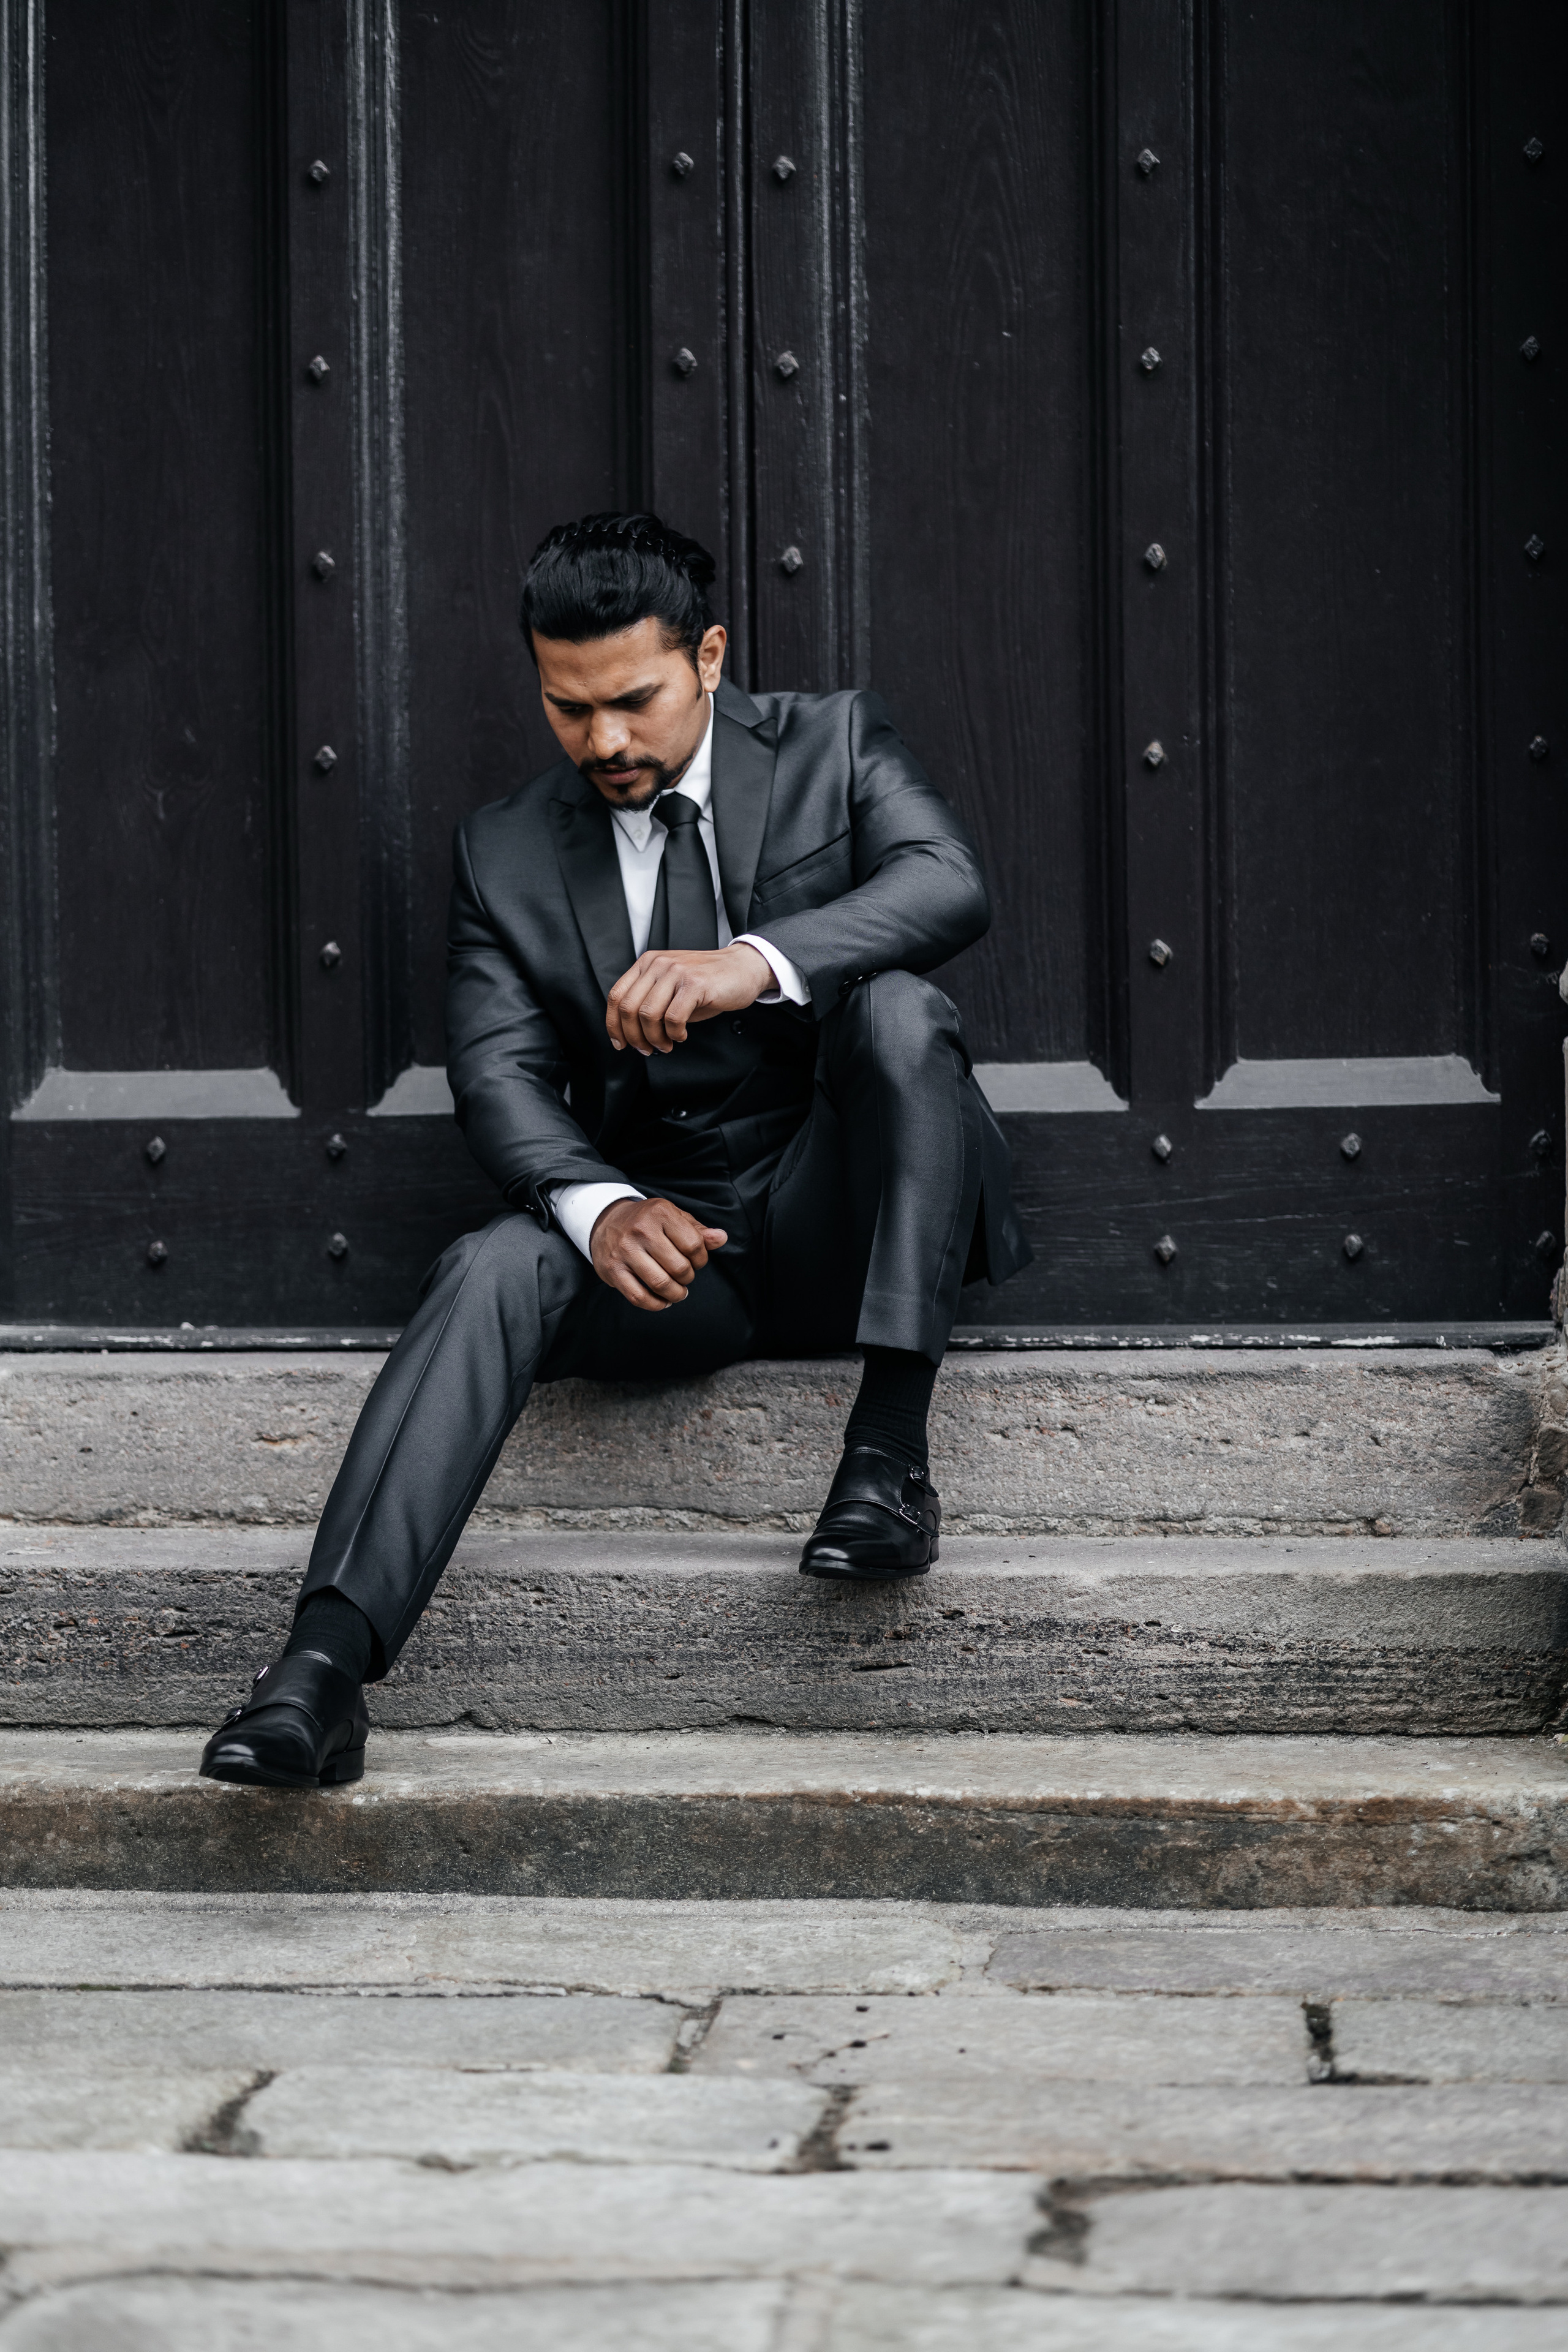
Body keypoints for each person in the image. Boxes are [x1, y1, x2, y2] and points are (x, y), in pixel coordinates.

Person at [200, 511, 1030, 1788]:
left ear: (707, 656)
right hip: (674, 1250)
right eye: (566, 708)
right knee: (490, 1263)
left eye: (632, 702)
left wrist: (747, 965)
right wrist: (597, 1207)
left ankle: (885, 1457)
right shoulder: (506, 848)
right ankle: (320, 1670)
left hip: (840, 1209)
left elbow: (946, 885)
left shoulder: (832, 741)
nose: (603, 742)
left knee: (901, 1008)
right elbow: (497, 1072)